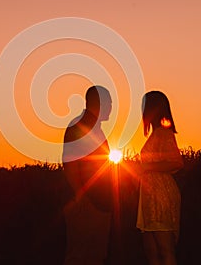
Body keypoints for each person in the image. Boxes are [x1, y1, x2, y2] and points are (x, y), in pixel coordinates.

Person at [62, 85, 113, 265]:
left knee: (95, 256)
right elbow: (70, 163)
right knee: (79, 255)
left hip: (99, 203)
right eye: (110, 102)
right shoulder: (80, 126)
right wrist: (80, 194)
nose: (112, 107)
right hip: (87, 203)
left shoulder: (93, 127)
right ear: (100, 103)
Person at [136, 91, 184, 265]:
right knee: (152, 252)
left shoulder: (164, 133)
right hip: (148, 197)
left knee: (165, 250)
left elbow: (177, 162)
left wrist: (146, 167)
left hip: (160, 195)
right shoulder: (155, 134)